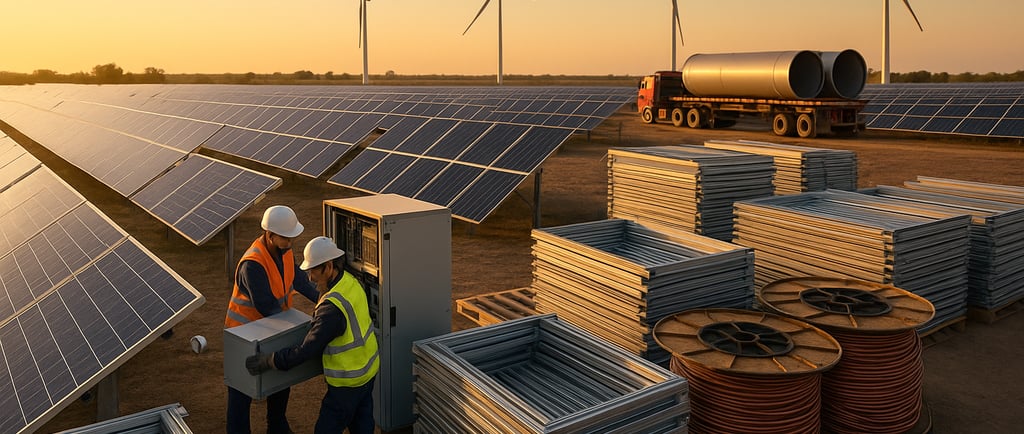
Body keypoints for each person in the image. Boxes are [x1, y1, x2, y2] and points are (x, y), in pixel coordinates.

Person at [246, 236, 380, 434]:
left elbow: (306, 350)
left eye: (313, 271)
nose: (309, 278)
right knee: (363, 427)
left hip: (346, 384)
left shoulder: (331, 309)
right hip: (368, 373)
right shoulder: (350, 282)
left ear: (328, 266)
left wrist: (270, 360)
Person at [225, 205, 320, 434]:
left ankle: (277, 426)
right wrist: (303, 330)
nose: (291, 242)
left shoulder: (284, 252)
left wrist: (325, 300)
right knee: (241, 392)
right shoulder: (252, 264)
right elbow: (267, 307)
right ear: (269, 235)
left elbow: (300, 281)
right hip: (245, 336)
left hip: (274, 330)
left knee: (280, 381)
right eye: (286, 238)